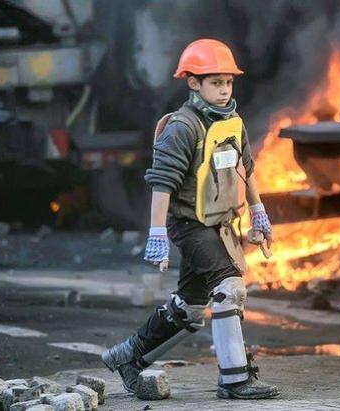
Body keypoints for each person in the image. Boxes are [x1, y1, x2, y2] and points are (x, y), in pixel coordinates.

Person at [100, 38, 280, 400]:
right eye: (216, 82)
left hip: (218, 224)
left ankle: (127, 358)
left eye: (228, 82)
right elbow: (162, 183)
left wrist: (258, 211)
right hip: (189, 225)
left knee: (191, 308)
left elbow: (246, 169)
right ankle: (235, 380)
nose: (224, 89)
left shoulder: (232, 123)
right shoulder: (182, 127)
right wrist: (156, 233)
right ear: (193, 82)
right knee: (230, 286)